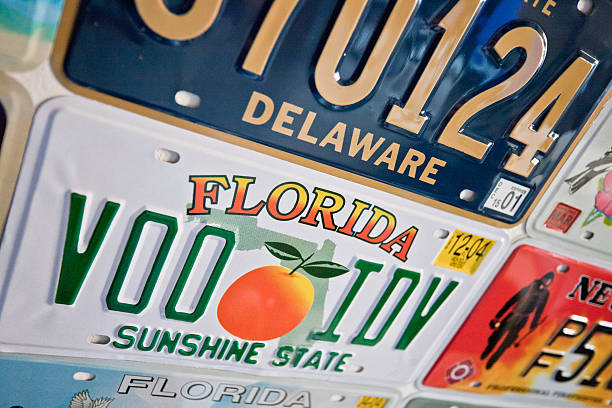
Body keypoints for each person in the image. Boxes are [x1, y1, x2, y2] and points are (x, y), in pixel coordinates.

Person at [480, 272, 554, 369]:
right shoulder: (529, 288)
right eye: (546, 279)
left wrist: (533, 324)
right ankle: (486, 352)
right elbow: (511, 302)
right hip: (512, 315)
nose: (547, 282)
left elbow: (539, 310)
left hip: (523, 319)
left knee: (508, 341)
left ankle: (492, 361)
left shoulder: (545, 294)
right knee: (497, 336)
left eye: (550, 281)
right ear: (543, 278)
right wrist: (498, 316)